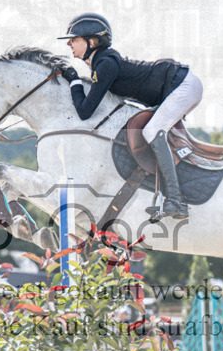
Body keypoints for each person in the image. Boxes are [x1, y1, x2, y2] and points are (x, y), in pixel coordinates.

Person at [58, 13, 203, 222]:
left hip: (183, 85)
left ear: (92, 41)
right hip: (179, 85)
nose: (69, 44)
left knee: (152, 131)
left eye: (74, 39)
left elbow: (85, 111)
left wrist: (74, 82)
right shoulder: (102, 63)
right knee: (151, 131)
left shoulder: (105, 64)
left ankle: (175, 200)